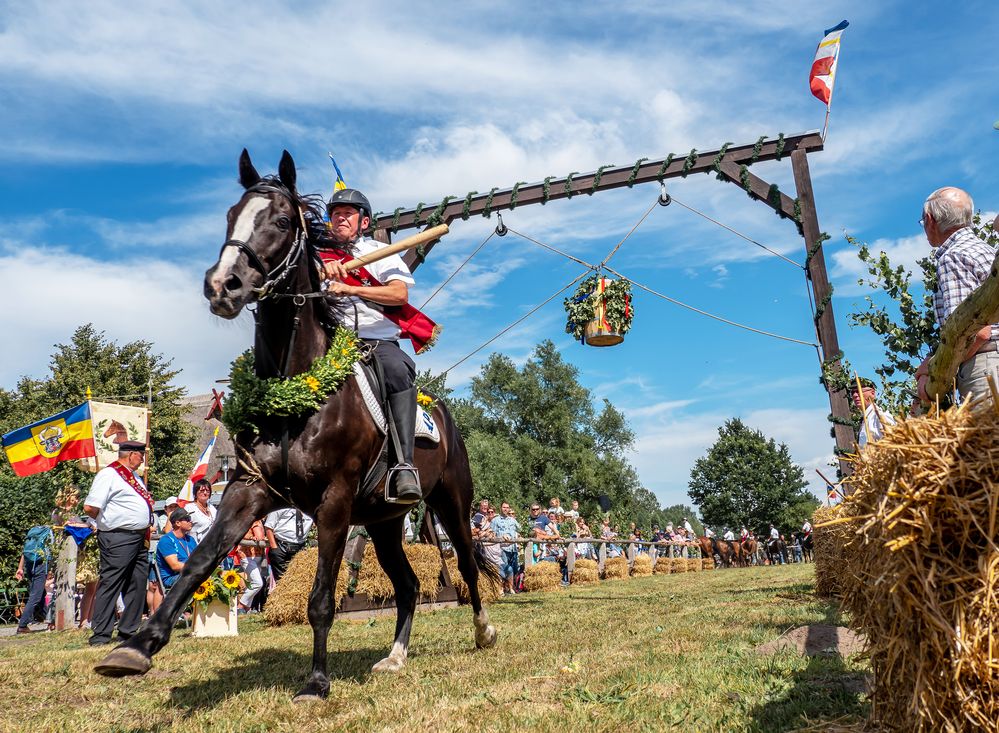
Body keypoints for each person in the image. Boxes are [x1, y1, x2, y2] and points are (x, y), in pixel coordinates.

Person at [318, 188, 426, 503]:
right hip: (332, 340)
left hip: (375, 340)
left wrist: (351, 287)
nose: (340, 217)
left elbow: (398, 296)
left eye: (348, 213)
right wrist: (320, 271)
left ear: (364, 221)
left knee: (397, 370)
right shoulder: (320, 255)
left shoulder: (381, 252)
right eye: (335, 213)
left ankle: (404, 466)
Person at [916, 187, 999, 404]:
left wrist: (932, 369)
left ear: (930, 219)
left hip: (987, 367)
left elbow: (974, 333)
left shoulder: (952, 257)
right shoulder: (986, 251)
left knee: (988, 437)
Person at [83, 440, 154, 646]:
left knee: (137, 583)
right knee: (112, 582)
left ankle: (128, 631)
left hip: (139, 537)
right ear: (131, 454)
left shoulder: (135, 478)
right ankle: (101, 634)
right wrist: (106, 524)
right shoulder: (109, 474)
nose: (142, 460)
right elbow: (90, 507)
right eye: (141, 455)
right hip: (118, 536)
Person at [14, 525, 54, 634]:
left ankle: (51, 620)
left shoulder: (33, 536)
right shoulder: (49, 534)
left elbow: (24, 552)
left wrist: (20, 568)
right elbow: (52, 552)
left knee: (40, 594)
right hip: (40, 565)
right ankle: (22, 626)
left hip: (29, 565)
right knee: (35, 596)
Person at [264, 507, 314, 584]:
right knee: (283, 583)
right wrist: (274, 548)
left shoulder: (310, 508)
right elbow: (268, 527)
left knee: (299, 581)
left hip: (300, 549)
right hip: (281, 548)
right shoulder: (280, 507)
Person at [155, 508, 197, 592]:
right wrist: (197, 568)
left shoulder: (190, 539)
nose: (191, 522)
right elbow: (175, 566)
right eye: (187, 519)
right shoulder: (166, 540)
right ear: (177, 523)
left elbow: (199, 559)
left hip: (189, 573)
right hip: (172, 577)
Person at [851, 379, 896, 449]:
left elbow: (894, 444)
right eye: (852, 392)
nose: (855, 395)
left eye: (859, 391)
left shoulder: (880, 416)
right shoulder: (866, 418)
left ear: (872, 393)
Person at [491, 502, 520, 595]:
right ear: (501, 508)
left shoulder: (513, 520)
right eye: (504, 507)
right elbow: (492, 534)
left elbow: (520, 529)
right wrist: (501, 536)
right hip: (502, 548)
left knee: (514, 569)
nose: (505, 509)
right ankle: (501, 589)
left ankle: (510, 588)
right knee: (504, 568)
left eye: (507, 507)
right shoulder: (495, 520)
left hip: (513, 548)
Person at [238, 519, 266, 613]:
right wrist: (251, 537)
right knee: (258, 583)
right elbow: (259, 536)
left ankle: (246, 608)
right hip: (247, 556)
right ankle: (240, 605)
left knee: (252, 583)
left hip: (257, 556)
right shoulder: (251, 520)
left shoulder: (260, 521)